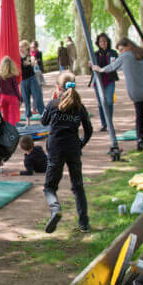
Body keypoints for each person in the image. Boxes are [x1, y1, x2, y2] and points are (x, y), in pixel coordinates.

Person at [41, 72, 93, 233]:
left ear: (58, 87)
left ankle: (55, 209)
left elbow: (43, 122)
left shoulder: (53, 104)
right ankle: (84, 222)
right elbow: (88, 130)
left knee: (50, 187)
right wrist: (80, 144)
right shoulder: (79, 107)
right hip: (73, 148)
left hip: (56, 147)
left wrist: (52, 100)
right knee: (77, 186)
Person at [92, 38, 143, 155]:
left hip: (137, 94)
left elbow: (113, 66)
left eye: (121, 49)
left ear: (128, 46)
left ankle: (139, 141)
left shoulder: (126, 56)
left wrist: (100, 69)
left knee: (139, 118)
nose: (121, 53)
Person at [92, 34, 118, 133]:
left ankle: (109, 122)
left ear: (108, 42)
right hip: (98, 81)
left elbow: (114, 65)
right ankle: (104, 124)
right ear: (98, 43)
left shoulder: (113, 53)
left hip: (109, 80)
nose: (103, 43)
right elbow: (93, 68)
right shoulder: (95, 54)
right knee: (101, 103)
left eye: (105, 41)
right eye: (101, 41)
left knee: (109, 101)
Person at [19, 40, 44, 124]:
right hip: (23, 81)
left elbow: (33, 63)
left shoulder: (30, 56)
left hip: (32, 79)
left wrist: (30, 63)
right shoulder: (18, 58)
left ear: (26, 47)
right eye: (20, 47)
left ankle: (43, 117)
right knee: (26, 100)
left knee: (37, 98)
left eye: (22, 46)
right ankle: (28, 121)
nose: (21, 48)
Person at [0, 56, 21, 125]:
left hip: (3, 97)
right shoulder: (12, 76)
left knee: (5, 116)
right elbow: (16, 88)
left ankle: (6, 131)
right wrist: (20, 98)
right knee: (12, 117)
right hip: (12, 97)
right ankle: (12, 131)